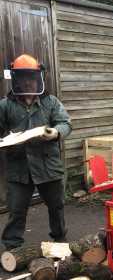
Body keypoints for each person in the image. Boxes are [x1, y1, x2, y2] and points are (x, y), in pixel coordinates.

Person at [0, 54, 72, 249]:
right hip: (19, 167)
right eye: (23, 79)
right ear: (17, 80)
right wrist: (6, 140)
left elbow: (65, 123)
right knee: (16, 210)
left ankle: (59, 241)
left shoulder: (51, 102)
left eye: (31, 78)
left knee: (56, 207)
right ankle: (13, 247)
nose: (28, 83)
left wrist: (55, 132)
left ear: (38, 78)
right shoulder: (5, 105)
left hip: (48, 165)